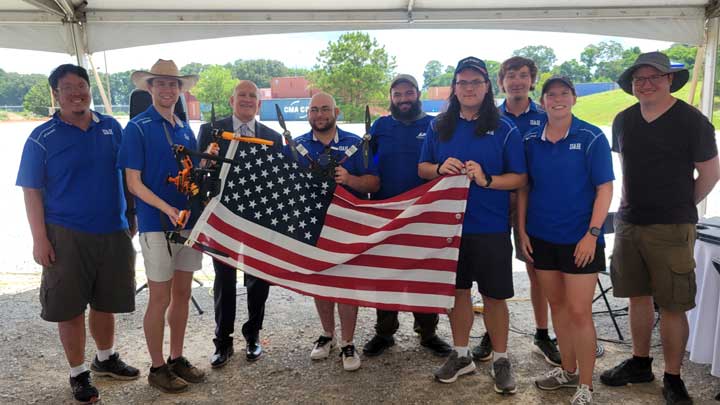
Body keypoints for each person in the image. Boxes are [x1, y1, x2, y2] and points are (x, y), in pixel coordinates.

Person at [600, 51, 720, 405]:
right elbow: (629, 169)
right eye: (639, 79)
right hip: (629, 222)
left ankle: (673, 376)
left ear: (670, 80)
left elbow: (710, 174)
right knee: (637, 296)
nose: (646, 84)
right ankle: (640, 362)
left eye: (654, 77)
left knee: (672, 304)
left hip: (672, 226)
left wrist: (682, 205)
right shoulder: (623, 120)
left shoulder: (692, 121)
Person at [16, 64, 139, 403]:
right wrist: (39, 239)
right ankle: (78, 373)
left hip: (113, 232)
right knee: (70, 308)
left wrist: (132, 217)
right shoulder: (41, 138)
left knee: (106, 301)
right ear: (55, 94)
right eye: (67, 87)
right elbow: (31, 191)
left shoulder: (112, 128)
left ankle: (105, 357)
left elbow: (129, 174)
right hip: (65, 234)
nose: (76, 93)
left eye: (81, 85)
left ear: (89, 89)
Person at [418, 56, 527, 394]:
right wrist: (438, 169)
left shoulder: (505, 127)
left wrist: (486, 178)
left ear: (486, 87)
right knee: (458, 293)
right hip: (449, 229)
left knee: (495, 296)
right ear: (454, 87)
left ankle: (500, 358)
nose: (468, 88)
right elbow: (421, 167)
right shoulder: (439, 125)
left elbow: (520, 177)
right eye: (462, 82)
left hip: (490, 226)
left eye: (475, 82)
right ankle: (462, 354)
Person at [518, 76, 614, 405]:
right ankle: (567, 368)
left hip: (580, 241)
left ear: (574, 98)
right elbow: (525, 187)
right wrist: (522, 230)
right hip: (542, 237)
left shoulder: (592, 137)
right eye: (551, 95)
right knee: (557, 306)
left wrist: (592, 235)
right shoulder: (531, 138)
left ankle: (585, 385)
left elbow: (605, 189)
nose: (557, 99)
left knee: (579, 313)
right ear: (541, 101)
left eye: (564, 94)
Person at [119, 59, 205, 393]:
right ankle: (156, 367)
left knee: (183, 293)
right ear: (150, 88)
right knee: (160, 297)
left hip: (187, 222)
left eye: (173, 85)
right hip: (157, 223)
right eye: (161, 84)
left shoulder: (184, 127)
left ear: (180, 90)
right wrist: (166, 208)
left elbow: (191, 175)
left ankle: (177, 357)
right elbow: (133, 183)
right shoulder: (137, 127)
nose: (168, 90)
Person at [471, 56, 561, 367]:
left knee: (537, 270)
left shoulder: (545, 114)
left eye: (524, 75)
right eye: (511, 76)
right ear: (501, 82)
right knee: (490, 273)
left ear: (532, 81)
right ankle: (491, 334)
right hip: (493, 201)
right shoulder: (488, 116)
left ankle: (541, 333)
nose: (517, 81)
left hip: (534, 203)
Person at [361, 74, 452, 358]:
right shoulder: (380, 127)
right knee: (385, 273)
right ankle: (384, 332)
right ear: (391, 97)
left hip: (425, 214)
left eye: (408, 93)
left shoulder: (435, 125)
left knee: (423, 273)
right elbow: (369, 166)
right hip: (387, 212)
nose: (403, 99)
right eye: (398, 94)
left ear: (417, 94)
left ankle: (428, 333)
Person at [288, 92, 380, 371]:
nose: (319, 114)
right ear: (308, 114)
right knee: (321, 282)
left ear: (336, 112)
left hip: (348, 225)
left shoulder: (357, 144)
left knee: (347, 283)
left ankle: (348, 341)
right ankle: (327, 334)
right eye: (314, 110)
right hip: (313, 225)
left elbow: (374, 183)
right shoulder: (297, 146)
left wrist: (349, 179)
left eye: (325, 109)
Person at [198, 80, 283, 367]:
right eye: (241, 95)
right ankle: (222, 341)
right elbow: (199, 174)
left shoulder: (272, 136)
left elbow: (277, 181)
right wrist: (204, 166)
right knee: (224, 280)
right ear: (231, 100)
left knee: (258, 280)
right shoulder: (210, 130)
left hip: (258, 220)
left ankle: (253, 335)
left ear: (259, 104)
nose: (247, 100)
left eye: (252, 96)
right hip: (222, 219)